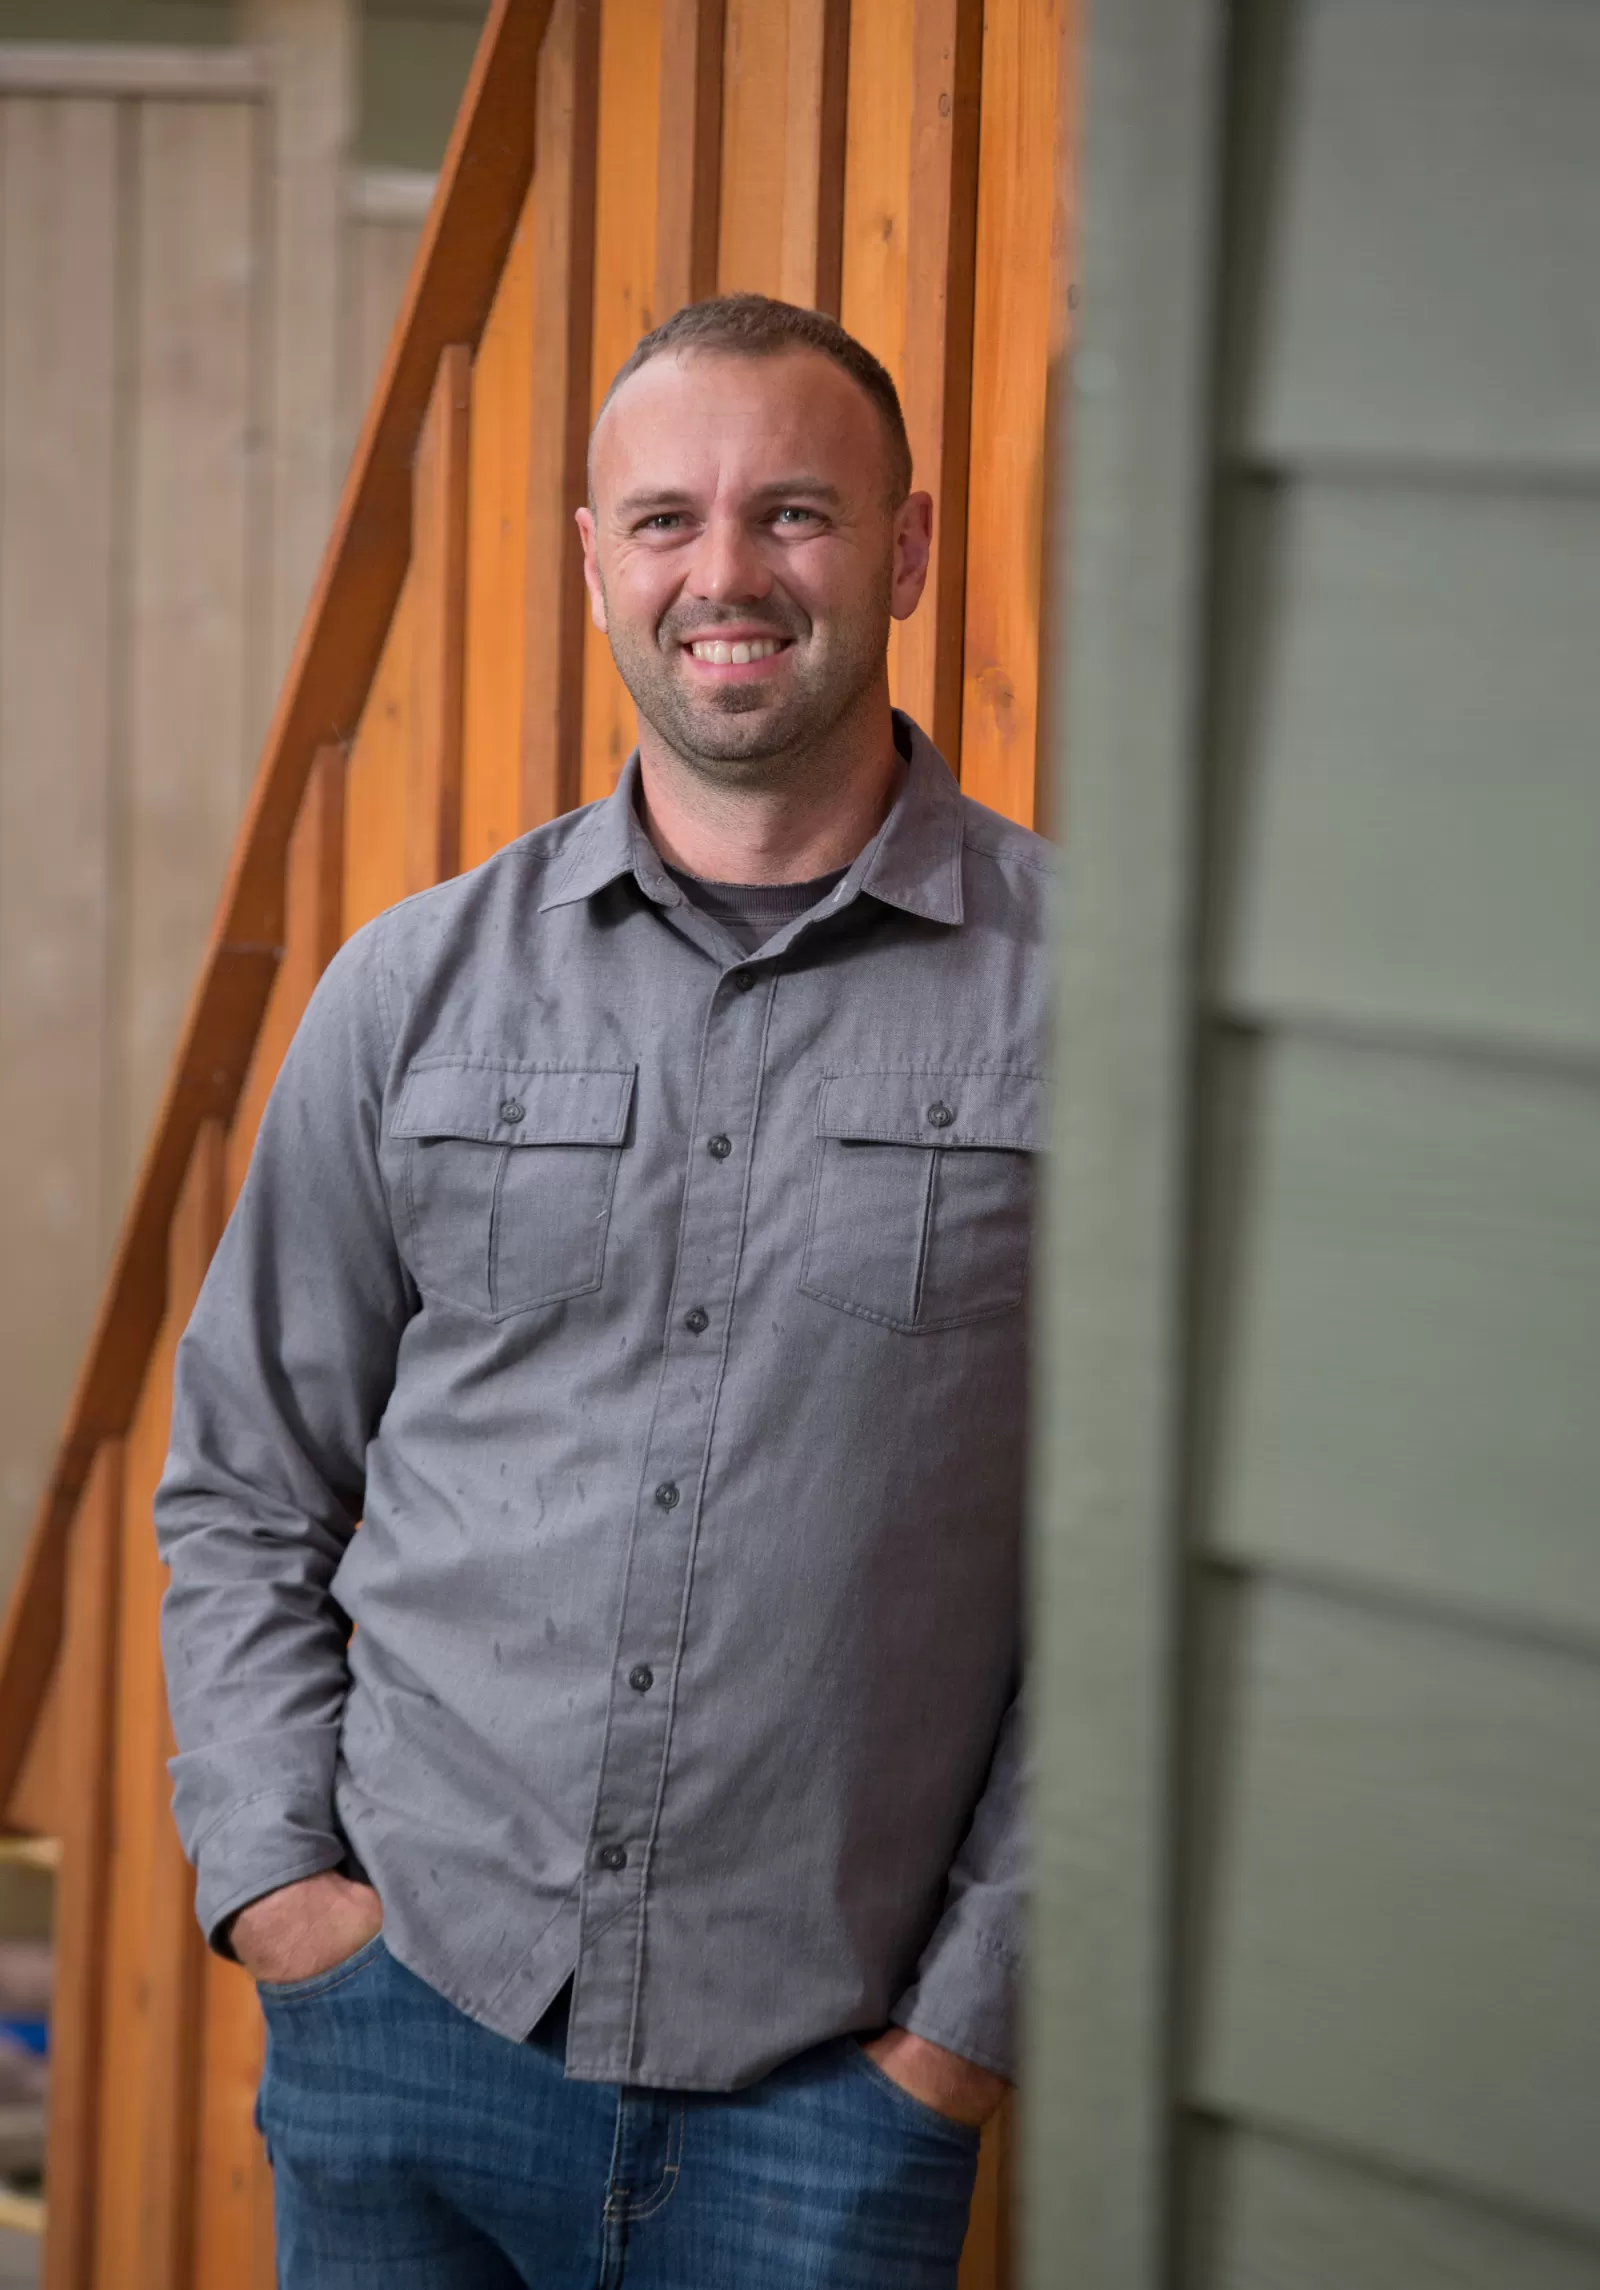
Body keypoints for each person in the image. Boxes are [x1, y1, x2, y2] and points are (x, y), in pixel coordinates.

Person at [156, 293, 1049, 2290]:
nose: (721, 571)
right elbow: (243, 1476)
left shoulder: (1085, 1010)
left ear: (901, 551)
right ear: (593, 563)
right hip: (412, 2035)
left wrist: (954, 2036)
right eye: (662, 519)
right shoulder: (410, 988)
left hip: (833, 2102)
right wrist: (288, 1898)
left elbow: (1132, 1590)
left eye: (792, 513)